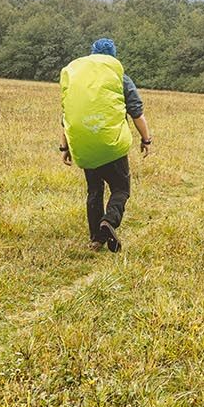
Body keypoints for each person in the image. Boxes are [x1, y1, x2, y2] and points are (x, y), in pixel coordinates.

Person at [59, 38, 152, 252]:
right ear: (113, 56)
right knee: (120, 189)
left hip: (84, 144)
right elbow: (136, 111)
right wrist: (146, 139)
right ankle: (109, 221)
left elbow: (67, 116)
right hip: (112, 145)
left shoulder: (77, 82)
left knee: (94, 190)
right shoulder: (120, 78)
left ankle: (96, 240)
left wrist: (64, 147)